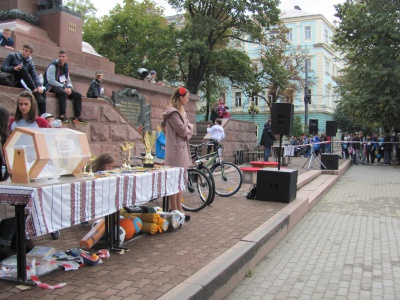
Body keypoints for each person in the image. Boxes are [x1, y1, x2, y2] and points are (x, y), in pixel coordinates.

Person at [161, 87, 193, 222]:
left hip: (180, 150)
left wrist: (188, 128)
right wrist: (190, 128)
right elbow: (183, 131)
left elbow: (185, 129)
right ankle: (174, 209)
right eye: (186, 97)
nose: (188, 100)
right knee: (175, 181)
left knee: (180, 181)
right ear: (180, 97)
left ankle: (179, 208)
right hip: (176, 151)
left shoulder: (180, 112)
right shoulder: (173, 113)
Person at [44, 49, 87, 124]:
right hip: (51, 86)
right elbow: (51, 80)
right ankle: (62, 115)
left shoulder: (66, 67)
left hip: (62, 86)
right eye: (60, 56)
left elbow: (68, 79)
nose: (61, 58)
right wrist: (63, 87)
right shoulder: (53, 66)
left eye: (63, 56)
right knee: (63, 93)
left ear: (67, 58)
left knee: (78, 95)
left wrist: (69, 88)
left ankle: (77, 117)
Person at [1, 43, 46, 114]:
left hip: (20, 82)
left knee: (42, 91)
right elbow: (3, 68)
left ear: (30, 53)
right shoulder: (12, 56)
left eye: (26, 50)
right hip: (9, 79)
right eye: (23, 49)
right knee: (21, 68)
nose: (23, 52)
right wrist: (13, 68)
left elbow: (34, 76)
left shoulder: (30, 63)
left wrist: (39, 86)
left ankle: (43, 114)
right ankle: (34, 90)